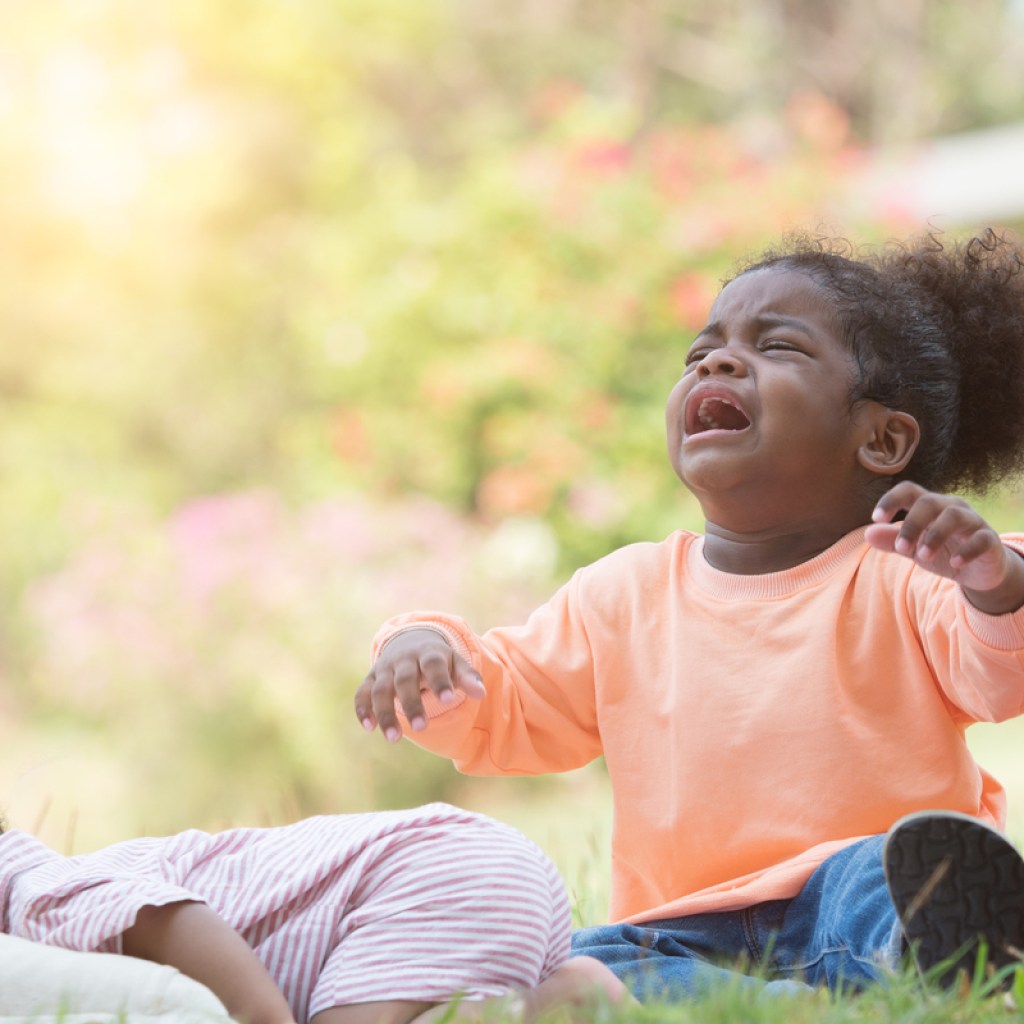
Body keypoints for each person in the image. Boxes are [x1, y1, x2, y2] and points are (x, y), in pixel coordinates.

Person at [356, 229, 1024, 998]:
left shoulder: (905, 571)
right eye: (700, 352)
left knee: (892, 874)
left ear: (879, 438)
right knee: (572, 966)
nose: (716, 361)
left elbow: (998, 674)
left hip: (853, 893)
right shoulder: (621, 595)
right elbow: (504, 704)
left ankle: (936, 951)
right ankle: (812, 1004)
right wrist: (423, 644)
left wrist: (993, 575)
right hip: (679, 927)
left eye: (779, 347)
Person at [0, 803, 628, 1024]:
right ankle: (557, 996)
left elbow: (176, 917)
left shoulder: (40, 895)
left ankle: (558, 1001)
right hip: (465, 872)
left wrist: (270, 1022)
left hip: (431, 873)